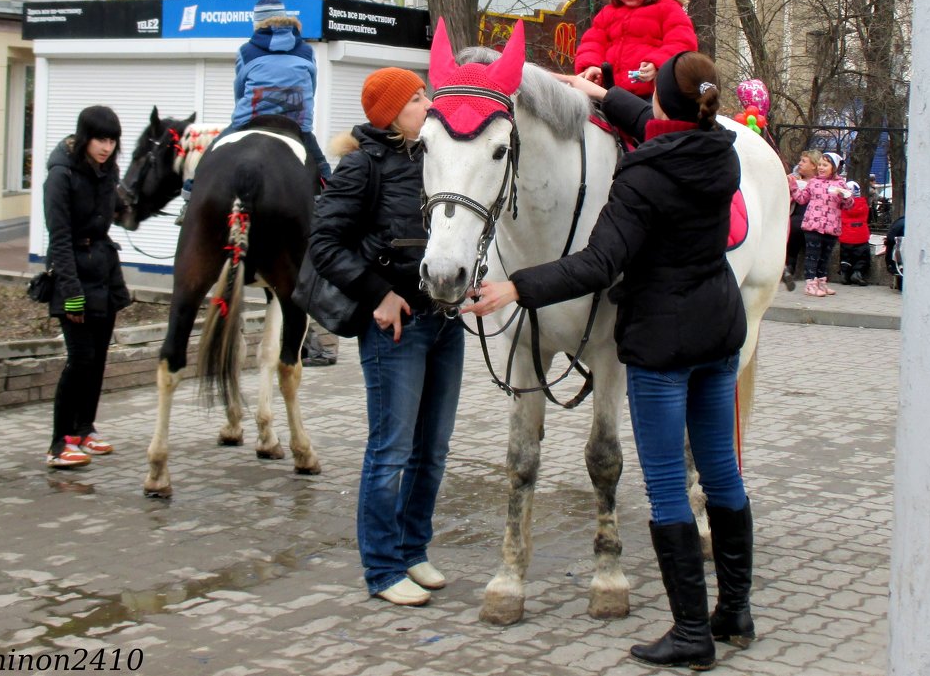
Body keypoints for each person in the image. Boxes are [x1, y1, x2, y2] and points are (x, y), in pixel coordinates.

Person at [467, 52, 756, 669]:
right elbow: (649, 117)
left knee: (666, 491)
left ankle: (689, 634)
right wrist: (591, 94)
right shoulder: (721, 150)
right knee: (722, 475)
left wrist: (516, 287)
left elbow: (596, 264)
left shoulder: (643, 179)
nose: (642, 100)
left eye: (650, 96)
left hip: (661, 345)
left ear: (665, 111)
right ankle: (734, 611)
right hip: (719, 333)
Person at [308, 68, 464, 607]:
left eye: (425, 93)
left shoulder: (439, 157)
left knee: (433, 450)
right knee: (392, 450)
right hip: (396, 328)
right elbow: (324, 243)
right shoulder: (361, 167)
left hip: (445, 319)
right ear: (390, 114)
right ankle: (381, 567)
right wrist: (378, 293)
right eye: (417, 98)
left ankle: (413, 549)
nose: (428, 103)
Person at [177, 0, 330, 224]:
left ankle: (190, 200)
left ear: (257, 23)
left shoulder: (247, 51)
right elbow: (312, 86)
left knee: (210, 155)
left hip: (251, 119)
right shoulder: (306, 51)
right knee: (321, 165)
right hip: (296, 123)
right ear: (285, 18)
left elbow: (239, 90)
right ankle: (328, 203)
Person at [43, 106, 133, 469]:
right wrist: (71, 293)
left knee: (97, 357)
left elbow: (117, 211)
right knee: (79, 359)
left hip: (104, 271)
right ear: (84, 137)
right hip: (73, 272)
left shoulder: (107, 171)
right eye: (100, 139)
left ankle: (84, 430)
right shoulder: (60, 175)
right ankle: (58, 443)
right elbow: (59, 238)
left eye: (112, 140)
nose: (106, 147)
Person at [574, 0, 698, 99]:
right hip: (608, 92)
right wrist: (591, 66)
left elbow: (682, 43)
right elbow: (593, 43)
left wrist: (657, 64)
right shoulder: (608, 13)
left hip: (651, 95)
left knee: (649, 123)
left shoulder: (668, 9)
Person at [788, 151, 853, 297]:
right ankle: (810, 284)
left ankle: (821, 284)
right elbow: (802, 199)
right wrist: (793, 187)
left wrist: (844, 197)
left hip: (832, 227)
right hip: (813, 226)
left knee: (825, 257)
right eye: (820, 165)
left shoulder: (841, 184)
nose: (821, 168)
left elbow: (848, 205)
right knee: (812, 256)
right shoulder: (813, 182)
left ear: (834, 168)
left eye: (825, 165)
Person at [783, 150, 823, 289]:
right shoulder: (794, 179)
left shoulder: (819, 182)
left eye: (804, 161)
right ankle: (789, 267)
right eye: (800, 160)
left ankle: (814, 275)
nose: (799, 164)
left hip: (813, 220)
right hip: (796, 216)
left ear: (814, 165)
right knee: (794, 227)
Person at [838, 180, 871, 286]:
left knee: (845, 256)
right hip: (861, 236)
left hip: (846, 236)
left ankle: (844, 272)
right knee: (862, 257)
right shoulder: (863, 204)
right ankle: (858, 273)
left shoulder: (842, 206)